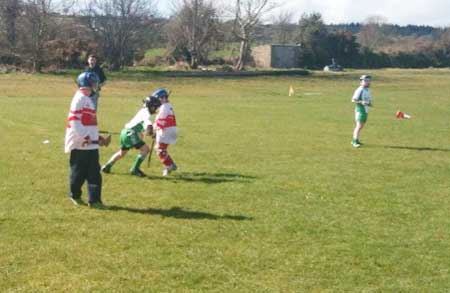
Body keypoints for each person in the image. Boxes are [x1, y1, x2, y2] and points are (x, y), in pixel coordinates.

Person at [65, 72, 108, 208]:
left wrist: (96, 137)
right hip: (80, 144)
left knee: (94, 173)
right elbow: (74, 122)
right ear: (87, 84)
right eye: (94, 83)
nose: (96, 86)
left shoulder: (87, 99)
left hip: (91, 145)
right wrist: (86, 137)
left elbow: (88, 122)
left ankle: (94, 200)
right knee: (78, 173)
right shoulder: (79, 99)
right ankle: (75, 195)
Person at [101, 95, 161, 177]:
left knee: (122, 153)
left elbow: (141, 128)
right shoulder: (146, 113)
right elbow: (147, 125)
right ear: (151, 106)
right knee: (146, 149)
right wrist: (152, 133)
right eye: (155, 107)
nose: (156, 109)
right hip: (131, 133)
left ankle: (107, 166)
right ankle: (134, 169)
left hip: (124, 132)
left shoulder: (142, 111)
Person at [152, 88, 178, 176]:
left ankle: (169, 165)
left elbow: (161, 121)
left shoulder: (164, 107)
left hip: (166, 130)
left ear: (163, 98)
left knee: (159, 149)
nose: (157, 101)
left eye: (158, 99)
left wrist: (154, 129)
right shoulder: (167, 106)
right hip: (171, 129)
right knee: (162, 149)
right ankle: (169, 165)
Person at [351, 75, 373, 148]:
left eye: (369, 81)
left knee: (361, 126)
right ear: (361, 82)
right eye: (365, 81)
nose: (368, 82)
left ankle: (355, 140)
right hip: (360, 110)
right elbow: (353, 100)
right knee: (359, 126)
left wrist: (369, 103)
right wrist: (361, 102)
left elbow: (368, 100)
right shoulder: (359, 90)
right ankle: (354, 141)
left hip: (365, 110)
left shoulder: (368, 90)